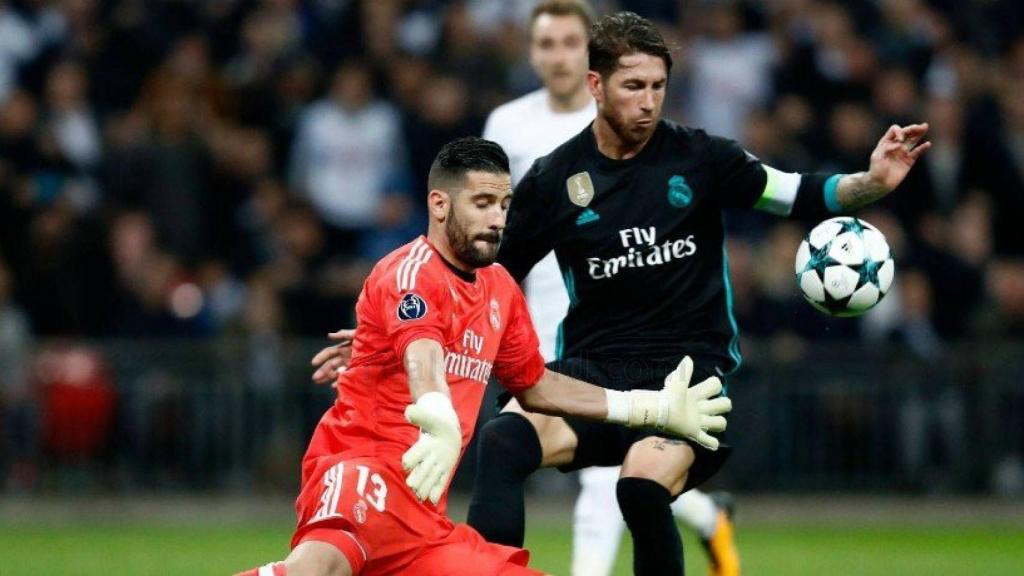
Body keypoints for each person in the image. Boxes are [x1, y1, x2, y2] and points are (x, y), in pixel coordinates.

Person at [462, 11, 929, 576]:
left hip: (687, 377)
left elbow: (798, 193)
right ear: (596, 85)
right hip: (594, 370)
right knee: (501, 443)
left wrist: (873, 182)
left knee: (638, 488)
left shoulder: (701, 157)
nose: (648, 101)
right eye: (633, 86)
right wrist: (395, 335)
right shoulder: (553, 180)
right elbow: (486, 278)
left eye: (658, 86)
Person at [312, 3, 741, 574]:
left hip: (594, 326)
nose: (558, 54)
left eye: (569, 42)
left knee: (609, 481)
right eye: (547, 44)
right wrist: (389, 328)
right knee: (517, 443)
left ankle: (687, 524)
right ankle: (706, 519)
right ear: (535, 54)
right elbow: (473, 238)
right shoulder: (508, 126)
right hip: (511, 314)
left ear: (588, 59)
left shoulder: (635, 126)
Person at [236, 137, 731, 576]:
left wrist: (649, 409)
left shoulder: (499, 289)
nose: (498, 218)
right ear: (439, 205)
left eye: (504, 203)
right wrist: (438, 416)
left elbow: (537, 386)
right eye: (482, 203)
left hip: (422, 518)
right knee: (319, 567)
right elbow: (423, 354)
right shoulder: (411, 273)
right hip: (360, 472)